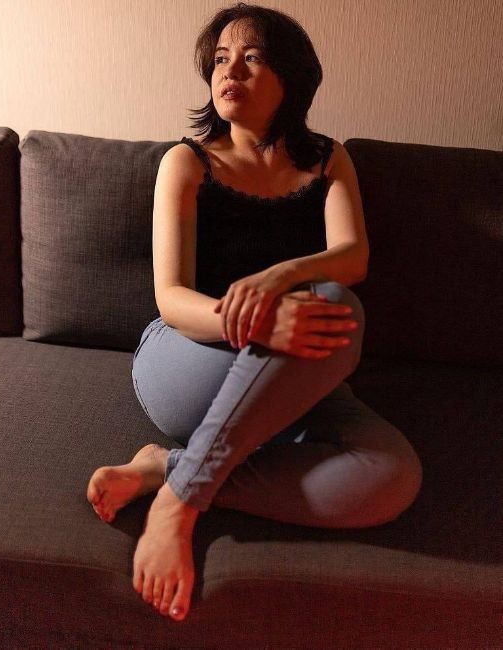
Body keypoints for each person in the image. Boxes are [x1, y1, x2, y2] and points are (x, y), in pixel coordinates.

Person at [87, 2, 423, 623]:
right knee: (332, 307)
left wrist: (279, 276)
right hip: (190, 356)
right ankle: (181, 505)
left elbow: (351, 257)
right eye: (220, 59)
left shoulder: (327, 158)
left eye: (251, 57)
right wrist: (257, 322)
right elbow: (171, 298)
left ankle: (168, 471)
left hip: (292, 373)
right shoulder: (187, 162)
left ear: (290, 77)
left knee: (393, 474)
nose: (229, 70)